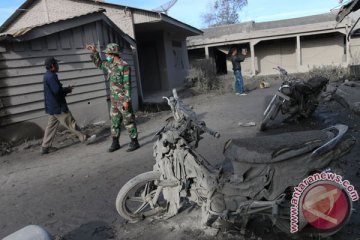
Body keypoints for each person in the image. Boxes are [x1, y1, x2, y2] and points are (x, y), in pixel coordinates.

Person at [86, 43, 140, 152]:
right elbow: (99, 64)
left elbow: (127, 84)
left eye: (107, 54)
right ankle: (115, 143)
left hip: (123, 100)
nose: (106, 55)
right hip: (114, 100)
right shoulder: (110, 65)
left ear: (113, 53)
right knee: (115, 121)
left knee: (128, 121)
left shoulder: (124, 66)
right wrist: (94, 52)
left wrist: (126, 100)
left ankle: (134, 142)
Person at [41, 57, 96, 154]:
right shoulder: (52, 76)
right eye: (57, 64)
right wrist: (67, 90)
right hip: (58, 107)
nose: (58, 66)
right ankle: (85, 138)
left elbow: (55, 90)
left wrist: (65, 89)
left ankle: (45, 147)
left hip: (52, 106)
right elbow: (57, 91)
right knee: (71, 123)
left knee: (50, 127)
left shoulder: (46, 76)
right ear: (53, 66)